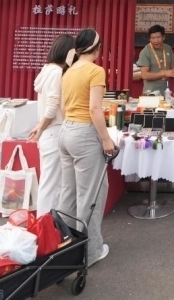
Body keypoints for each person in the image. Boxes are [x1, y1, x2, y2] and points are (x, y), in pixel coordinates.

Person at [57, 28, 115, 267]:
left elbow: (63, 107)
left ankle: (64, 245)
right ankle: (90, 252)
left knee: (68, 193)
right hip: (84, 134)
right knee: (90, 196)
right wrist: (106, 139)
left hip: (66, 132)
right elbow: (94, 108)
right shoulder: (95, 71)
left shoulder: (68, 71)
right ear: (97, 47)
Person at [28, 34, 76, 217]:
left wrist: (41, 126)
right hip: (54, 131)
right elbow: (53, 104)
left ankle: (49, 224)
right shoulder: (56, 72)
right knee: (52, 184)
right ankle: (45, 224)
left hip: (49, 132)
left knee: (51, 182)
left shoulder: (47, 69)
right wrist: (41, 127)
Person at [138, 24, 174, 95]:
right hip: (150, 93)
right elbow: (144, 75)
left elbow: (173, 69)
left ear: (163, 37)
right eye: (153, 38)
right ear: (149, 39)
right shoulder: (145, 52)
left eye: (158, 37)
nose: (156, 40)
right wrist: (164, 73)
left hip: (166, 92)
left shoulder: (168, 48)